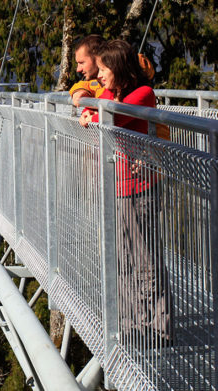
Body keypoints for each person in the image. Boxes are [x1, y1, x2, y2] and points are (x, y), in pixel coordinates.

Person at [79, 39, 173, 347]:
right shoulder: (115, 92)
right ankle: (132, 323)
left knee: (146, 259)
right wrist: (86, 103)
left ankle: (158, 327)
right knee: (122, 259)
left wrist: (91, 114)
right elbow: (95, 104)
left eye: (104, 69)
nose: (100, 75)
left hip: (140, 188)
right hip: (120, 185)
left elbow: (109, 117)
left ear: (119, 69)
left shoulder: (142, 94)